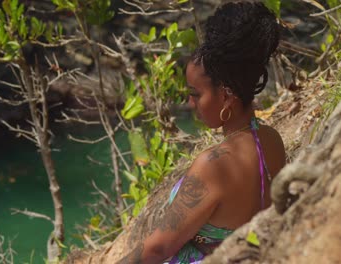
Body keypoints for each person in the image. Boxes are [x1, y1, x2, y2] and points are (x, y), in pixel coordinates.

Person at [118, 1, 286, 263]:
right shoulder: (271, 141)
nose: (190, 104)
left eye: (195, 94)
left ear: (227, 96)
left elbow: (158, 249)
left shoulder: (213, 165)